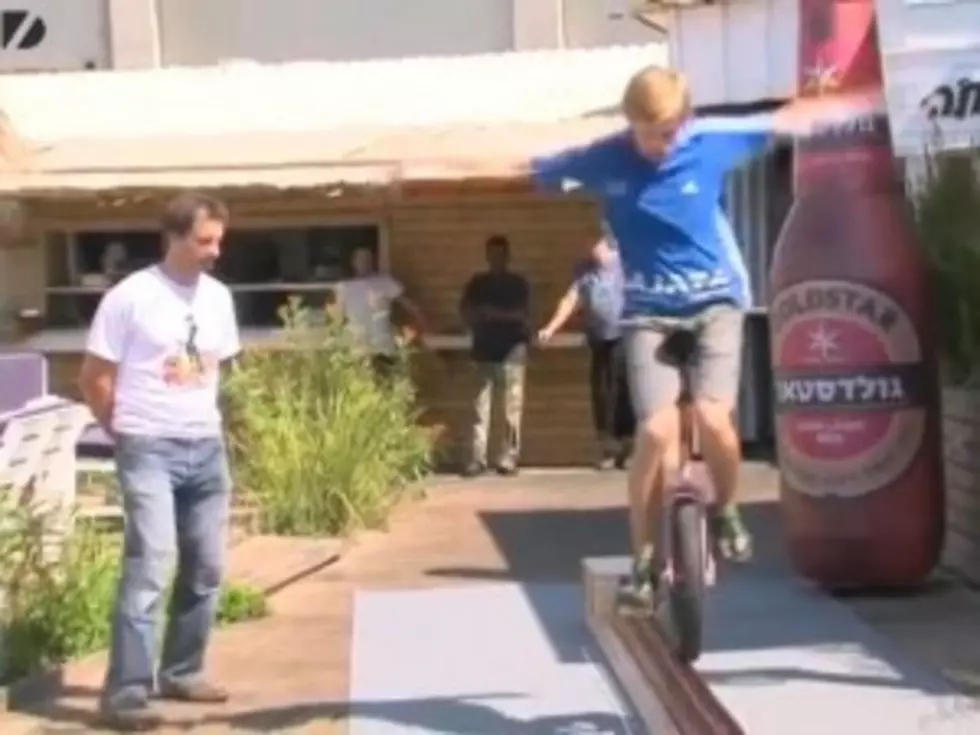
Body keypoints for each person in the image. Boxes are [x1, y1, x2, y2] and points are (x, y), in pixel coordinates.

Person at [441, 65, 877, 606]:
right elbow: (527, 167)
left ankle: (725, 511)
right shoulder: (606, 157)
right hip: (647, 313)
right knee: (655, 432)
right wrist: (430, 164)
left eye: (669, 134)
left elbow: (786, 120)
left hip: (715, 305)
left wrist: (862, 101)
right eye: (649, 136)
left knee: (715, 419)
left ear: (685, 120)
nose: (660, 147)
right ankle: (645, 562)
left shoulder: (711, 141)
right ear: (630, 125)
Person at [78, 192, 241, 730]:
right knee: (151, 563)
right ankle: (126, 690)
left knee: (207, 566)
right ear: (172, 238)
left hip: (205, 447)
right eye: (204, 241)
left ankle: (183, 670)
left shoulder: (218, 298)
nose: (214, 251)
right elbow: (95, 378)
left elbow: (221, 370)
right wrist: (123, 431)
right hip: (148, 446)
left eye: (219, 240)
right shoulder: (131, 297)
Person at [538, 235, 634, 470]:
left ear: (608, 246)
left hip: (624, 336)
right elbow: (571, 299)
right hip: (599, 339)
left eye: (595, 245)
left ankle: (628, 447)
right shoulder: (585, 270)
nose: (591, 250)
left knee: (625, 391)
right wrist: (550, 328)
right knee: (602, 393)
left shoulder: (625, 264)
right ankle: (608, 449)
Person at [460, 234, 531, 477]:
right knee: (479, 408)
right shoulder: (477, 283)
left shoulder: (517, 284)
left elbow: (521, 315)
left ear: (508, 256)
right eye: (492, 254)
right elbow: (467, 313)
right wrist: (491, 315)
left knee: (512, 409)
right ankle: (476, 459)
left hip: (513, 351)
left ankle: (509, 457)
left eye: (501, 254)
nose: (496, 259)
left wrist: (490, 314)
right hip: (483, 349)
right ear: (487, 256)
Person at [335, 246, 428, 377]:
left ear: (372, 261)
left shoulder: (385, 283)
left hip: (383, 345)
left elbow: (408, 304)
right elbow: (337, 317)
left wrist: (419, 323)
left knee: (386, 382)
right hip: (357, 346)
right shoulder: (344, 288)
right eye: (360, 259)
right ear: (353, 262)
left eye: (367, 259)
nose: (363, 263)